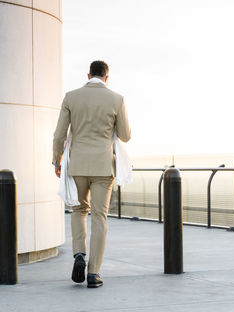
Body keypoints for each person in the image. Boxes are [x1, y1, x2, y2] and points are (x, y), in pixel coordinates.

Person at [52, 60, 131, 288]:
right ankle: (94, 273)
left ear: (88, 75)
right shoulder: (117, 99)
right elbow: (125, 135)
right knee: (99, 217)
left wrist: (56, 160)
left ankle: (79, 254)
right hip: (103, 166)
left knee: (78, 210)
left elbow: (59, 135)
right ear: (107, 77)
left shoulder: (71, 97)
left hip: (77, 165)